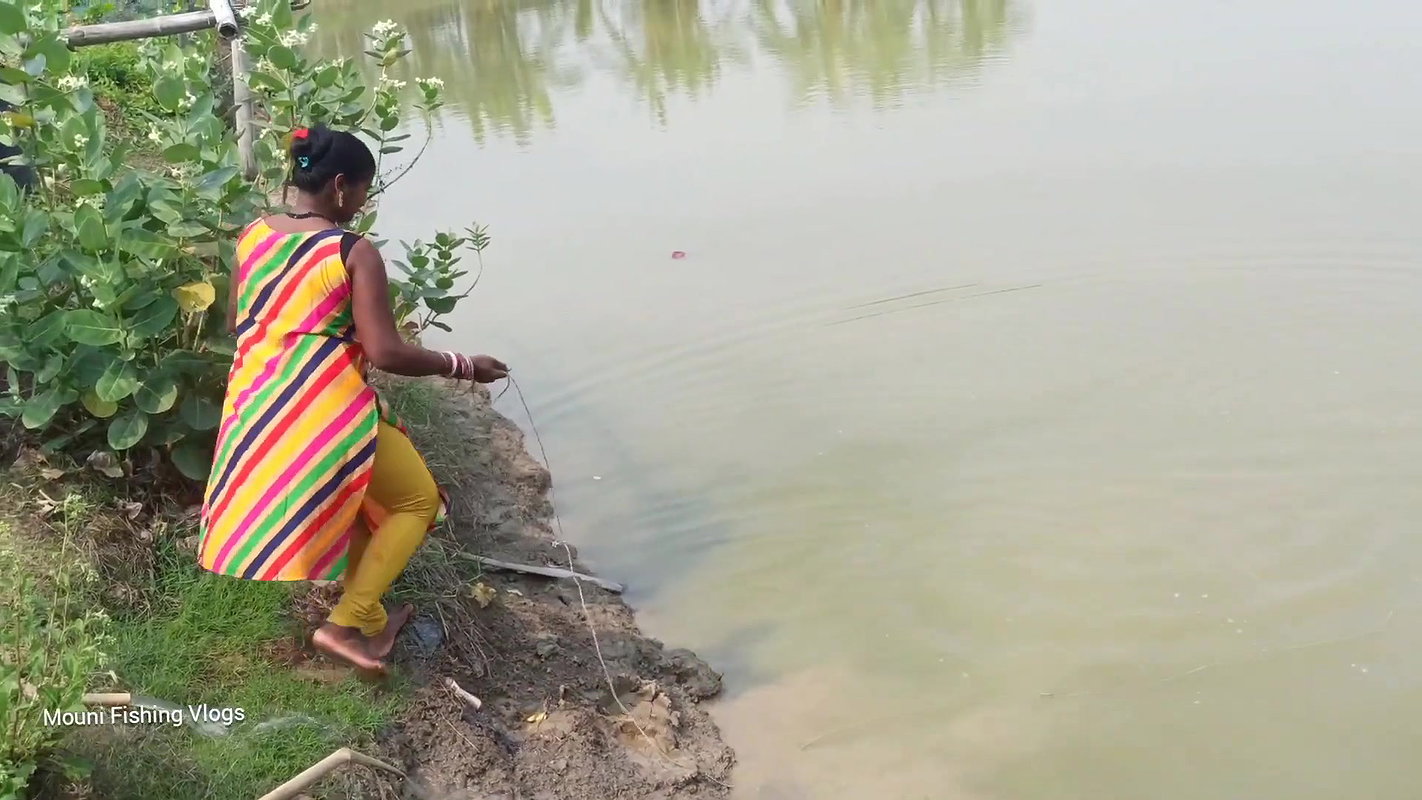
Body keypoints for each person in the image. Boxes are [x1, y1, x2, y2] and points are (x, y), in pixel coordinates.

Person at [197, 124, 507, 674]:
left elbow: (236, 322)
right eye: (363, 190)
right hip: (324, 410)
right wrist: (463, 366)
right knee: (417, 502)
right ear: (340, 186)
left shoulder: (252, 236)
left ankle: (369, 621)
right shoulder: (351, 252)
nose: (363, 202)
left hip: (260, 404)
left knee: (361, 500)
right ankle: (346, 622)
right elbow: (385, 352)